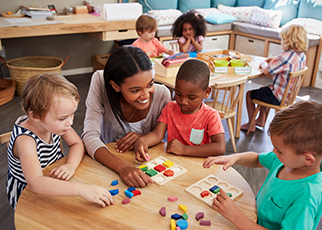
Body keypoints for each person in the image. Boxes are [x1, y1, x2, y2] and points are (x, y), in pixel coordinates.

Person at [203, 100, 322, 230]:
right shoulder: (284, 160)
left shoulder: (306, 197)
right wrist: (234, 157)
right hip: (253, 220)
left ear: (308, 159)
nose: (274, 152)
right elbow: (257, 159)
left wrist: (236, 217)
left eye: (280, 150)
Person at [6, 73, 114, 209]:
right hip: (27, 193)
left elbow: (76, 143)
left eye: (72, 114)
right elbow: (35, 182)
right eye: (63, 118)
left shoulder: (54, 123)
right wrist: (81, 189)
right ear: (35, 116)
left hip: (54, 176)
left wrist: (71, 165)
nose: (70, 122)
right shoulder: (25, 140)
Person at [82, 46, 171, 187]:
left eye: (150, 84)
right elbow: (89, 136)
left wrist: (144, 136)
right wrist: (122, 168)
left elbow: (164, 139)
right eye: (135, 90)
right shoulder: (100, 81)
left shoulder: (162, 95)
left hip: (146, 168)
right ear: (115, 86)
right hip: (108, 163)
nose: (146, 95)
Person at [135, 59, 225, 162]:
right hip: (173, 163)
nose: (183, 101)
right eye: (178, 94)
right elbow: (157, 134)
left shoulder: (211, 116)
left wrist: (184, 149)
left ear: (206, 92)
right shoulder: (170, 108)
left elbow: (220, 148)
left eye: (191, 98)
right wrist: (142, 141)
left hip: (199, 166)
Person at [241, 24, 307, 132]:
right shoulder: (301, 55)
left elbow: (267, 70)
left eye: (282, 40)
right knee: (263, 90)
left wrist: (263, 63)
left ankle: (251, 124)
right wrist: (275, 59)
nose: (281, 42)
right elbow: (285, 62)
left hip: (278, 97)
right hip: (289, 96)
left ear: (289, 41)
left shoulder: (284, 57)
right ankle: (261, 120)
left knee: (249, 95)